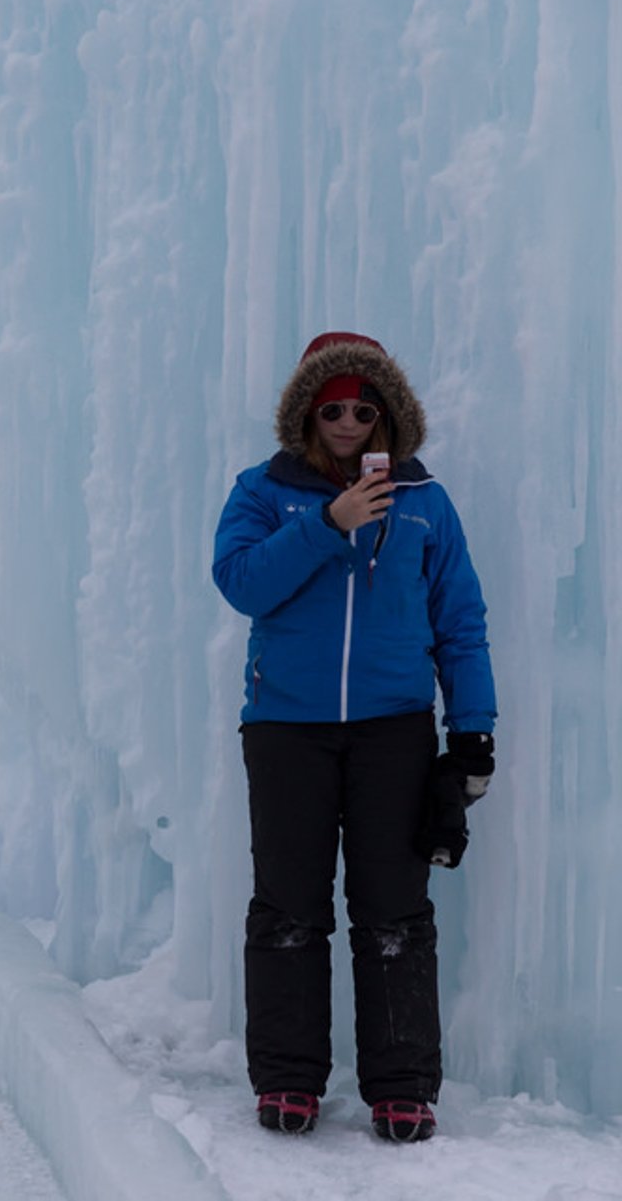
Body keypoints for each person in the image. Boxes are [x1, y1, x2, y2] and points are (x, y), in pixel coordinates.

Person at [212, 331, 496, 1144]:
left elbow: (460, 622)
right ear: (306, 409)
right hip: (287, 728)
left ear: (386, 413)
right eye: (330, 406)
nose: (346, 421)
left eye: (362, 407)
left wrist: (472, 732)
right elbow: (241, 582)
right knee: (289, 907)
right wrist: (328, 523)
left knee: (395, 909)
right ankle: (289, 1079)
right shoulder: (263, 492)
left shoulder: (426, 501)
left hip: (394, 732)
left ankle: (403, 1085)